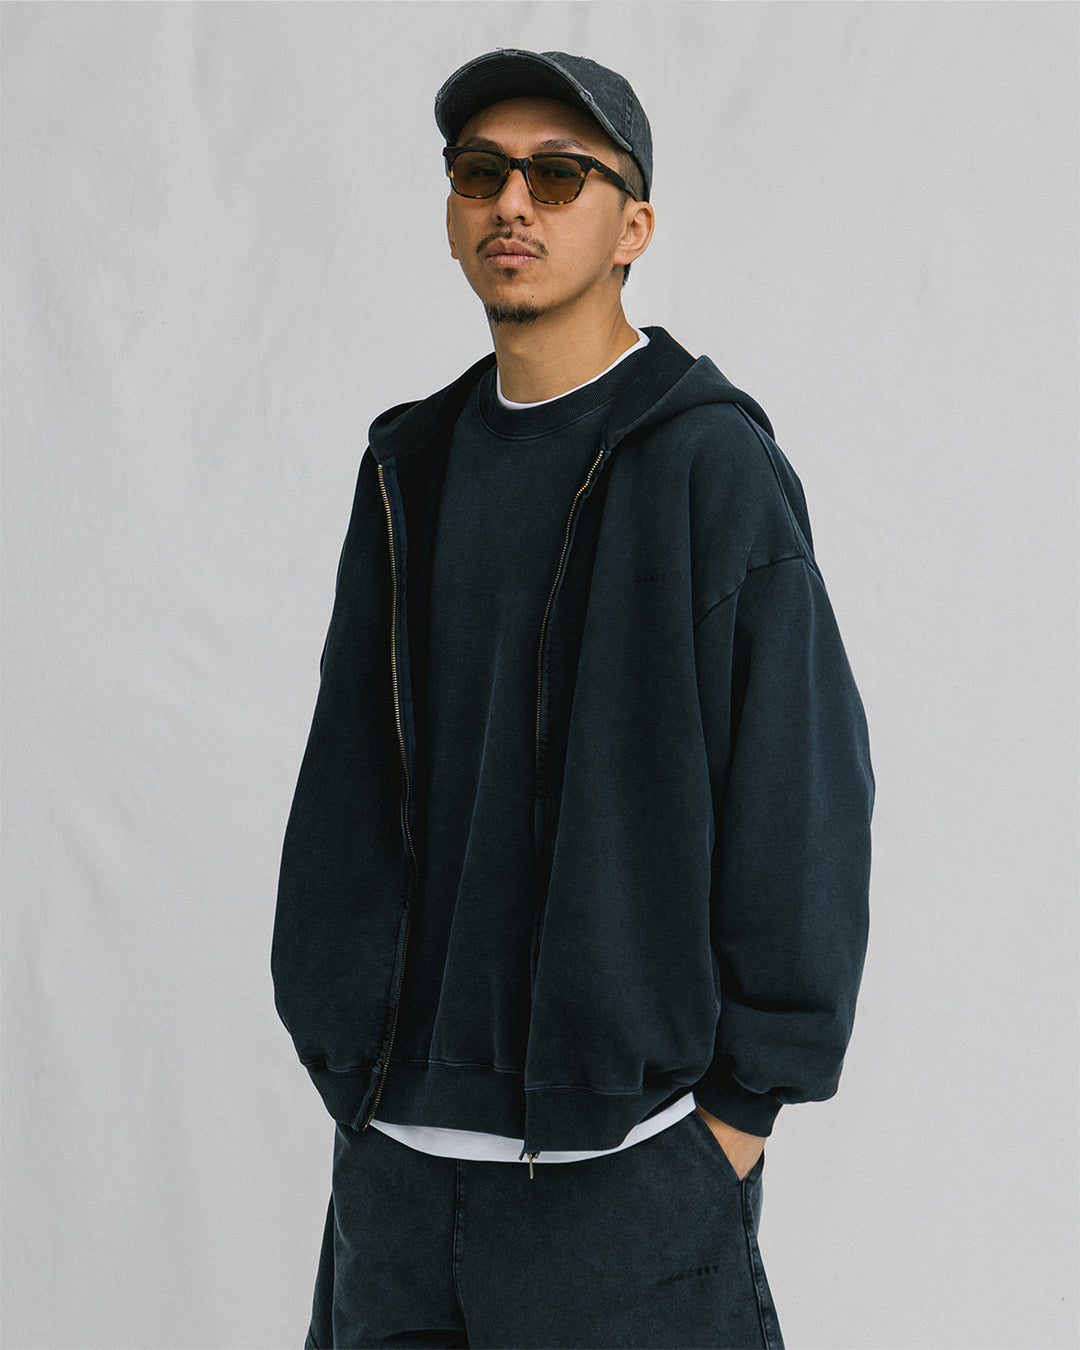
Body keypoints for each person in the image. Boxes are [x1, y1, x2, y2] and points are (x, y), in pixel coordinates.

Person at [272, 48, 873, 1350]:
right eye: (481, 173)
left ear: (632, 226)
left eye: (557, 176)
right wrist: (338, 1044)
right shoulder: (408, 468)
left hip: (626, 1179)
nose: (512, 203)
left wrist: (741, 1111)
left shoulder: (710, 466)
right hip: (394, 1174)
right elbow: (345, 778)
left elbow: (802, 788)